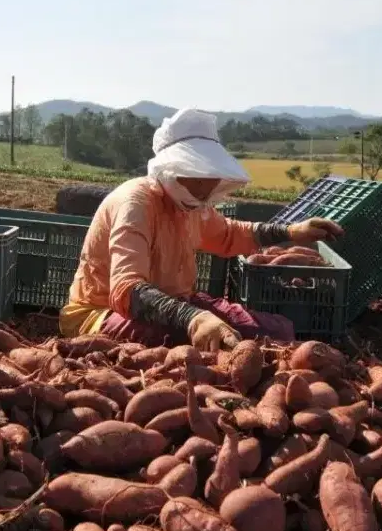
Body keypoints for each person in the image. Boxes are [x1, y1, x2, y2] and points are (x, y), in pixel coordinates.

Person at [59, 108, 343, 351]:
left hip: (176, 303)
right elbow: (126, 290)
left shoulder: (190, 204)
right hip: (102, 313)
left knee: (277, 332)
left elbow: (229, 234)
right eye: (197, 174)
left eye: (210, 174)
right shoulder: (136, 203)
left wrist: (291, 232)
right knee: (207, 346)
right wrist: (193, 318)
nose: (207, 186)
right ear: (173, 171)